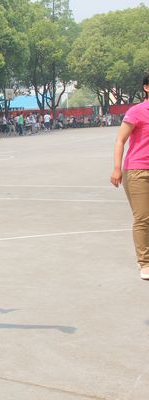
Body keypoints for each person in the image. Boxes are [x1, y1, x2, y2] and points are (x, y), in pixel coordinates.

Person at [110, 74, 149, 280]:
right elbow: (120, 140)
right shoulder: (137, 112)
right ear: (146, 87)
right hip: (138, 171)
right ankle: (145, 263)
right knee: (143, 218)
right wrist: (117, 168)